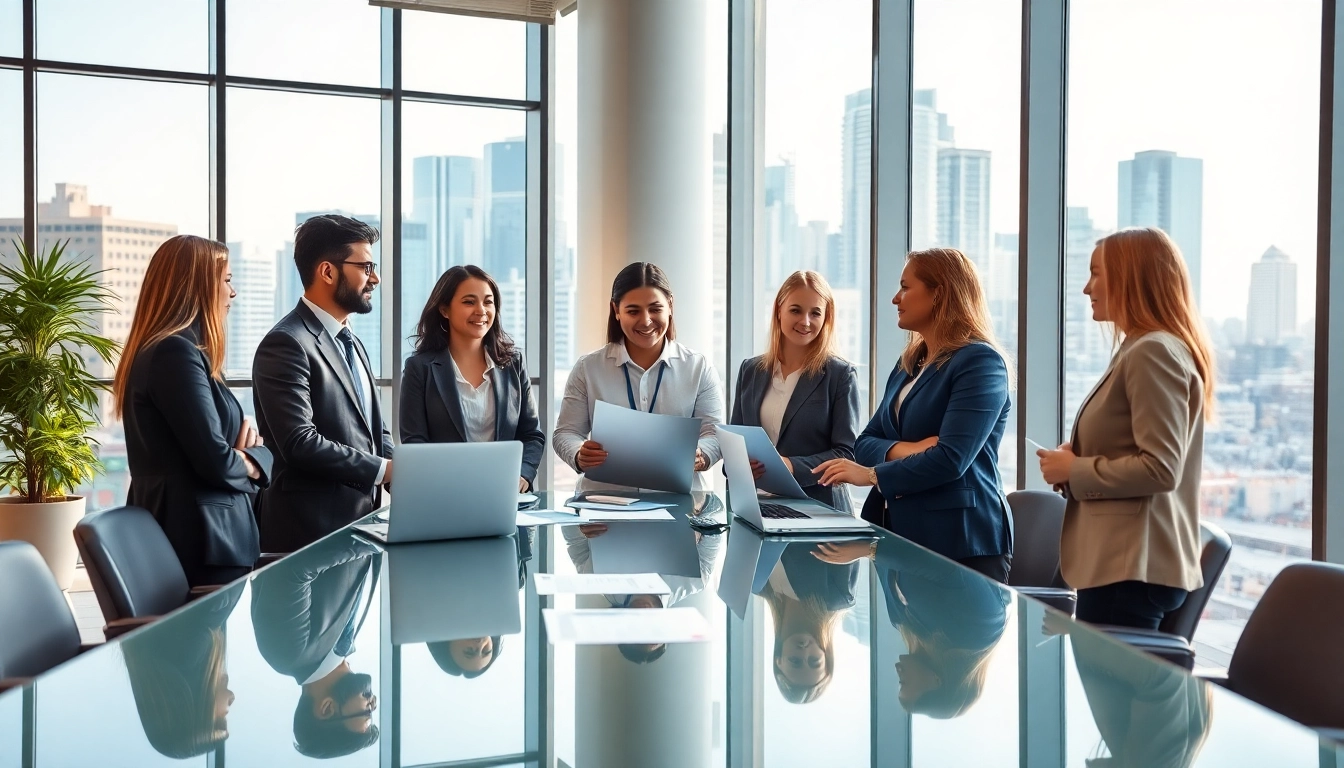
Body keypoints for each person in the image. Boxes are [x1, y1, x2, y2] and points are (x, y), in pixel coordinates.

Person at [1037, 227, 1212, 630]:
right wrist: (1076, 463)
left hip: (1132, 569)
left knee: (1113, 692)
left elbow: (1160, 468)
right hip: (1126, 565)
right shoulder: (1142, 348)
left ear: (1132, 278)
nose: (1086, 288)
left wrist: (1073, 470)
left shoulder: (1153, 351)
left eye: (1097, 273)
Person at [814, 248, 1014, 583]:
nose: (896, 298)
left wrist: (874, 475)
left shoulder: (980, 363)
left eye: (906, 287)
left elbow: (951, 459)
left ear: (939, 294)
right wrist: (915, 447)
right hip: (902, 535)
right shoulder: (909, 363)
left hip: (961, 542)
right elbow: (864, 442)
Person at [114, 235, 273, 587]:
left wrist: (241, 457)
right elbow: (215, 460)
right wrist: (254, 458)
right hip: (203, 544)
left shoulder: (174, 351)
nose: (233, 293)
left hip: (199, 539)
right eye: (228, 280)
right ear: (199, 285)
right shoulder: (175, 353)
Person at [252, 214, 395, 552]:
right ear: (328, 271)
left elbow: (374, 430)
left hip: (359, 529)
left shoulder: (353, 342)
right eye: (365, 267)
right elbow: (300, 442)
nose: (375, 278)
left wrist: (401, 471)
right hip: (306, 537)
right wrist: (384, 469)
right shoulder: (286, 343)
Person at [553, 262, 724, 491]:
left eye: (655, 309)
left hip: (679, 503)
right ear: (616, 310)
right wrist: (578, 453)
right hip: (604, 504)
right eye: (633, 311)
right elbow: (566, 432)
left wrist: (701, 455)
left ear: (670, 305)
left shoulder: (698, 368)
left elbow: (714, 434)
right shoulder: (588, 368)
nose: (645, 320)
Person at [815, 537, 1009, 718]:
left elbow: (885, 559)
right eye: (903, 682)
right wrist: (870, 550)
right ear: (936, 681)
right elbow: (950, 570)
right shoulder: (981, 631)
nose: (897, 670)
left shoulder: (900, 622)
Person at [400, 265, 545, 491]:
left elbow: (531, 434)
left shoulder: (513, 363)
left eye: (488, 302)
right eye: (469, 302)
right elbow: (414, 442)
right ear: (445, 309)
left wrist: (523, 475)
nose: (481, 310)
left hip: (506, 494)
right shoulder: (419, 368)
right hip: (445, 494)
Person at [730, 271, 861, 513]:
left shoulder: (840, 375)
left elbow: (846, 455)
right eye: (796, 310)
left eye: (815, 313)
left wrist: (791, 466)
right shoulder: (750, 370)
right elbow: (733, 447)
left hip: (820, 512)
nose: (806, 321)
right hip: (757, 509)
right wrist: (739, 465)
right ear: (779, 310)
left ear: (826, 318)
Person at [251, 536, 381, 759]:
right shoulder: (343, 645)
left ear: (327, 708)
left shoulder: (286, 654)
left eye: (366, 712)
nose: (373, 703)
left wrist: (369, 539)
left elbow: (290, 571)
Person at [123, 582, 245, 759]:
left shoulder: (192, 645)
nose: (232, 701)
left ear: (196, 711)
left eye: (222, 718)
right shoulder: (169, 651)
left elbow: (235, 580)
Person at [763, 541, 858, 703]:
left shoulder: (759, 586)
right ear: (826, 656)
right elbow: (845, 527)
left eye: (795, 661)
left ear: (778, 660)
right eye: (814, 661)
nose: (804, 651)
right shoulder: (838, 596)